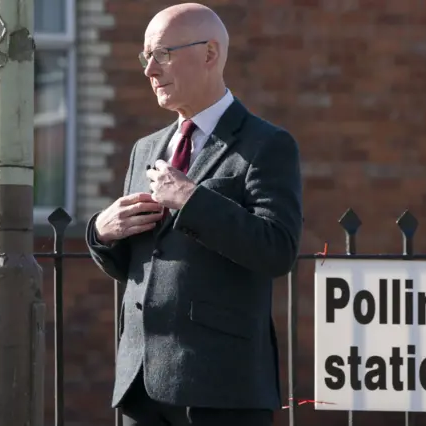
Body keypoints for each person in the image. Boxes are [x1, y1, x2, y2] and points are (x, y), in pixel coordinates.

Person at [86, 3, 303, 425]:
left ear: (209, 54)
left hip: (220, 387)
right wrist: (102, 233)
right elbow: (144, 265)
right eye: (145, 56)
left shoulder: (266, 145)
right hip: (141, 383)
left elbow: (278, 249)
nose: (150, 70)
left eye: (162, 54)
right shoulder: (145, 149)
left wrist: (191, 199)